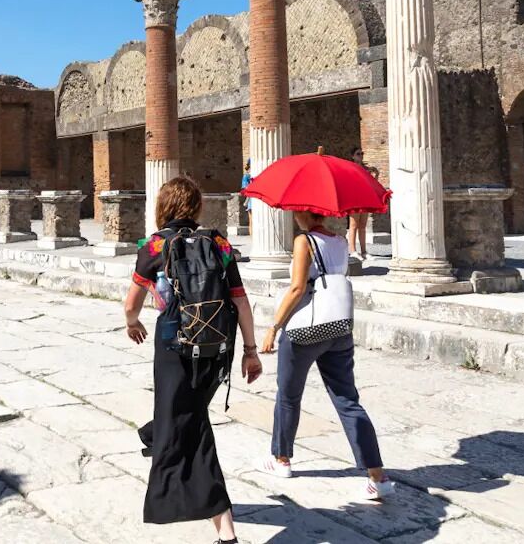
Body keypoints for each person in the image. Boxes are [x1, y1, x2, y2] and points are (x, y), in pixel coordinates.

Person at [123, 175, 262, 544]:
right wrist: (250, 352)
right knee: (186, 414)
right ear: (196, 208)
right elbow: (240, 299)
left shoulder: (154, 245)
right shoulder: (217, 242)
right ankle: (158, 433)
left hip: (173, 346)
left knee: (191, 425)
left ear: (163, 208)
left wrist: (132, 322)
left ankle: (226, 531)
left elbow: (131, 302)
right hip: (217, 348)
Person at [260, 209, 394, 501]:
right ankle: (378, 476)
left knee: (289, 395)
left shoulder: (303, 241)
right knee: (347, 399)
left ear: (303, 212)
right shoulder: (341, 241)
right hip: (338, 327)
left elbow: (297, 288)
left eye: (296, 210)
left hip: (305, 330)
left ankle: (282, 459)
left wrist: (274, 326)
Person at [347, 148, 371, 262]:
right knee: (353, 225)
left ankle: (364, 251)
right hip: (354, 198)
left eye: (362, 153)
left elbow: (371, 183)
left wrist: (376, 174)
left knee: (363, 226)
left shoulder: (366, 169)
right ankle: (352, 250)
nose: (361, 156)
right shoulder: (350, 167)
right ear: (353, 156)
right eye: (358, 154)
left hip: (365, 198)